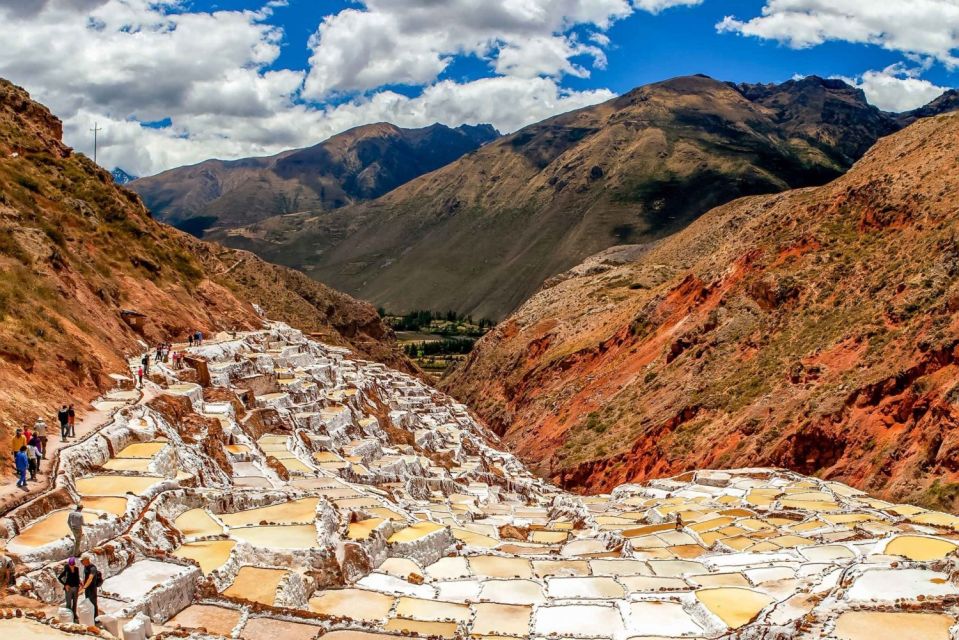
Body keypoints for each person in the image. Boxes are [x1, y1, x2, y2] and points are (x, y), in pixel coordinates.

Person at [57, 557, 81, 622]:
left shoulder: (76, 569)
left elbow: (77, 578)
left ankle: (74, 615)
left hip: (76, 588)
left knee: (75, 602)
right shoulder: (66, 570)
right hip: (69, 588)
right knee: (69, 603)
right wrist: (65, 585)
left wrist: (80, 584)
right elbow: (59, 578)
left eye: (73, 565)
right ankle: (69, 616)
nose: (72, 566)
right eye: (71, 565)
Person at [80, 555, 101, 620]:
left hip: (92, 588)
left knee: (93, 603)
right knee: (88, 602)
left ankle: (96, 618)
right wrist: (83, 585)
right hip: (87, 588)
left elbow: (90, 578)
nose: (81, 562)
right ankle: (90, 616)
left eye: (82, 560)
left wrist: (84, 588)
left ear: (86, 560)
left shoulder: (93, 568)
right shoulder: (86, 567)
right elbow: (85, 577)